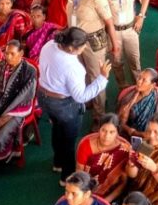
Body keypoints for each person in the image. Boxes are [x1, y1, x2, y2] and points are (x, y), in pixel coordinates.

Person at [38, 27, 111, 179]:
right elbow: (81, 96)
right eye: (83, 45)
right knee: (69, 141)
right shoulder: (73, 67)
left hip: (44, 98)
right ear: (71, 48)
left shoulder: (49, 45)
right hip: (64, 106)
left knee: (57, 129)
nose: (85, 48)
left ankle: (57, 162)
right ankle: (67, 176)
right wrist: (102, 77)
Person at [0, 39, 36, 162]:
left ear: (21, 53)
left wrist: (3, 119)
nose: (8, 57)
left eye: (12, 54)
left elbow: (26, 99)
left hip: (17, 111)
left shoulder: (29, 71)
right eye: (6, 53)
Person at [75, 114, 132, 202]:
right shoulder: (85, 145)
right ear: (98, 129)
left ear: (117, 132)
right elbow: (79, 174)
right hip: (87, 188)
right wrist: (84, 196)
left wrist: (106, 201)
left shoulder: (124, 149)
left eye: (112, 132)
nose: (106, 136)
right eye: (103, 131)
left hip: (112, 192)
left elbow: (123, 183)